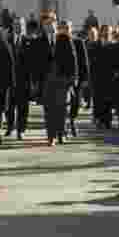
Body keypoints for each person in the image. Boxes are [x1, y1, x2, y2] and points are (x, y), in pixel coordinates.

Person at [32, 11, 78, 146]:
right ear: (44, 26)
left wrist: (73, 78)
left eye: (52, 22)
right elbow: (35, 63)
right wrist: (35, 81)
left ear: (56, 25)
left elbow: (72, 59)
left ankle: (61, 134)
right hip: (47, 80)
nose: (50, 25)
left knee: (62, 109)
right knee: (49, 109)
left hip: (63, 78)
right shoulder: (38, 41)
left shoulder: (64, 38)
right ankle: (50, 136)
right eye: (47, 23)